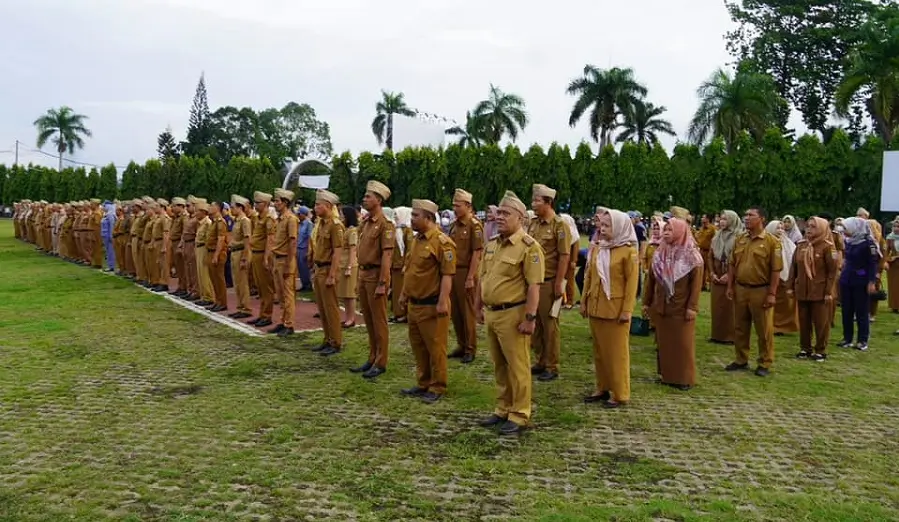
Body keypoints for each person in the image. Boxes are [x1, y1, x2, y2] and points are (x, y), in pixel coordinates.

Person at [474, 191, 544, 435]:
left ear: (521, 218)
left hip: (514, 315)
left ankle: (520, 413)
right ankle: (502, 408)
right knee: (499, 365)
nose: (500, 217)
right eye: (499, 213)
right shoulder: (492, 244)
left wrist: (530, 318)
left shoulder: (529, 247)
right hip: (492, 313)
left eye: (506, 213)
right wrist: (478, 306)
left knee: (518, 366)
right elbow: (482, 277)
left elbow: (534, 286)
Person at [399, 199, 456, 403]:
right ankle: (423, 382)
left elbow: (447, 275)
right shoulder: (417, 240)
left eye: (416, 216)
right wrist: (404, 294)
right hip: (415, 303)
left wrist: (442, 302)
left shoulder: (442, 242)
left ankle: (437, 385)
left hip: (432, 304)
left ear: (429, 218)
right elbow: (411, 269)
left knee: (435, 347)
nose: (412, 219)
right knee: (418, 346)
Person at [581, 208, 638, 407]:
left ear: (620, 227)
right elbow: (589, 276)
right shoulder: (599, 247)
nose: (602, 229)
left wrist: (627, 310)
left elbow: (632, 284)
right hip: (597, 306)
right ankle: (602, 387)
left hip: (615, 310)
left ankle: (620, 393)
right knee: (599, 351)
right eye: (601, 225)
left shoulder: (628, 251)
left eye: (607, 226)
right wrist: (584, 301)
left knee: (616, 353)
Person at [643, 217, 703, 390]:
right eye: (665, 230)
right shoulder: (660, 253)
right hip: (662, 306)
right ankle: (666, 375)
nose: (666, 233)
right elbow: (651, 281)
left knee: (682, 344)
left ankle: (684, 378)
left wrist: (692, 307)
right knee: (664, 343)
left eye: (670, 230)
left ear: (680, 232)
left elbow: (696, 286)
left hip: (681, 308)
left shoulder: (692, 256)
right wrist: (647, 303)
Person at [726, 207, 782, 377]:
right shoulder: (740, 239)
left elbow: (776, 270)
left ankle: (764, 362)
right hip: (741, 288)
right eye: (746, 215)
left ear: (762, 219)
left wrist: (772, 293)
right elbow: (732, 264)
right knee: (740, 327)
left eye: (751, 215)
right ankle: (741, 359)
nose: (746, 218)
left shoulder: (772, 242)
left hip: (761, 290)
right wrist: (730, 286)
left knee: (763, 329)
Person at [352, 181, 395, 378]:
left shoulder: (385, 225)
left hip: (375, 275)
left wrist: (383, 283)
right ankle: (371, 356)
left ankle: (381, 361)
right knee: (368, 320)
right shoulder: (366, 223)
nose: (364, 199)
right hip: (363, 274)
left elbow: (387, 256)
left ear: (378, 200)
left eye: (368, 196)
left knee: (379, 321)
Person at [527, 184, 570, 382]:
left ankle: (552, 365)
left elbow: (564, 256)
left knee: (550, 325)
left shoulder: (559, 225)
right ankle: (541, 360)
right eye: (533, 200)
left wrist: (559, 283)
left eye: (537, 201)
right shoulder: (533, 224)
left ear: (548, 202)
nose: (533, 204)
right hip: (533, 282)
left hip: (549, 281)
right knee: (536, 326)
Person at [787, 216, 838, 361]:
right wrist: (790, 287)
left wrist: (829, 292)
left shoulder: (827, 247)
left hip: (820, 291)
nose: (809, 229)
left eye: (813, 227)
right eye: (808, 226)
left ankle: (821, 350)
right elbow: (794, 268)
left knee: (821, 322)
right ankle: (805, 348)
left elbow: (832, 272)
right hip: (803, 290)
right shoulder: (801, 245)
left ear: (822, 229)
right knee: (803, 321)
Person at [448, 189, 484, 364]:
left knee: (467, 312)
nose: (455, 208)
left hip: (466, 271)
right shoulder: (454, 225)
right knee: (455, 312)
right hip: (453, 272)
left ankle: (470, 348)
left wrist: (470, 277)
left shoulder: (474, 225)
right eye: (454, 205)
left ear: (468, 206)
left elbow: (477, 253)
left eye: (458, 205)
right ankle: (461, 344)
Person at [309, 189, 345, 356]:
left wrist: (332, 274)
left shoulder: (335, 225)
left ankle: (336, 341)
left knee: (331, 308)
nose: (315, 207)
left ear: (328, 206)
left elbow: (337, 252)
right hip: (319, 268)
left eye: (318, 205)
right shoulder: (321, 224)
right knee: (322, 308)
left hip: (328, 269)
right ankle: (327, 338)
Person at [838, 217, 881, 351]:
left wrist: (871, 281)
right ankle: (847, 338)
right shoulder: (850, 241)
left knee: (861, 311)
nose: (844, 231)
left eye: (846, 228)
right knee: (847, 310)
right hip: (847, 279)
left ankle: (862, 340)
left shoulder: (868, 243)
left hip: (860, 280)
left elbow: (872, 263)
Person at [709, 210, 743, 344]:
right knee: (717, 306)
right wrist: (712, 272)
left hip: (732, 276)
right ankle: (717, 334)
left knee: (730, 307)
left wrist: (729, 275)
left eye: (725, 219)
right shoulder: (716, 236)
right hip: (717, 275)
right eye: (720, 219)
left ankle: (730, 336)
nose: (722, 221)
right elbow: (710, 257)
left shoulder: (739, 237)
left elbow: (740, 259)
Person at [271, 189, 299, 336]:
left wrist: (289, 263)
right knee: (280, 293)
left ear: (285, 203)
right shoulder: (279, 219)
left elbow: (292, 242)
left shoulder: (291, 219)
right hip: (277, 259)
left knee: (288, 294)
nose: (275, 204)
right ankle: (283, 321)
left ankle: (289, 324)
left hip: (285, 260)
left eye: (278, 201)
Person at [247, 191, 276, 327]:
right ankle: (262, 314)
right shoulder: (258, 218)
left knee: (266, 287)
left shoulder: (268, 219)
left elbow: (270, 240)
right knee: (260, 287)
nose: (255, 205)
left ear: (265, 204)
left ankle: (267, 315)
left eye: (258, 203)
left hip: (262, 255)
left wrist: (266, 258)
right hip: (255, 253)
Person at [766, 220, 799, 335]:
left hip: (786, 277)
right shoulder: (766, 242)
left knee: (786, 303)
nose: (780, 230)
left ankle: (784, 326)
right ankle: (772, 325)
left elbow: (794, 257)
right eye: (777, 228)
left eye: (782, 228)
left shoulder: (788, 243)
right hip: (770, 277)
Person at [228, 195, 253, 319]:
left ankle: (246, 308)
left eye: (233, 207)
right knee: (237, 282)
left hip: (241, 252)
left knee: (242, 282)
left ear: (240, 207)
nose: (231, 210)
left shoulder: (245, 221)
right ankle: (240, 306)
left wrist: (244, 257)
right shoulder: (237, 220)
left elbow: (247, 240)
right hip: (234, 252)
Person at [205, 202, 230, 311]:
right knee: (214, 279)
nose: (209, 207)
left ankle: (222, 303)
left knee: (219, 279)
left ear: (218, 208)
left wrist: (216, 255)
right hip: (210, 252)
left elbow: (221, 239)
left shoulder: (221, 222)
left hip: (217, 253)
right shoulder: (213, 222)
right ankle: (217, 301)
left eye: (212, 206)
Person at [338, 205, 359, 328]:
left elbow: (353, 250)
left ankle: (351, 319)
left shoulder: (352, 231)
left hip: (349, 264)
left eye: (342, 215)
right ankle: (347, 317)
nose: (340, 217)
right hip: (343, 263)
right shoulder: (345, 230)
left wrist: (350, 267)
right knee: (345, 294)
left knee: (350, 294)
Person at [168, 198, 188, 296]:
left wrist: (181, 245)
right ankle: (181, 286)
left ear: (180, 206)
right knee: (178, 267)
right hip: (174, 242)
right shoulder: (176, 217)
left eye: (174, 206)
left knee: (182, 267)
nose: (172, 208)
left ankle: (184, 287)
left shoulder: (184, 217)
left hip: (179, 243)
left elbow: (184, 232)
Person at [560, 213, 580, 309]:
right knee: (560, 281)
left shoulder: (574, 234)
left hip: (570, 261)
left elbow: (575, 248)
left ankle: (570, 301)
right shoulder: (561, 231)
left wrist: (574, 261)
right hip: (561, 261)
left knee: (569, 281)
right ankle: (562, 300)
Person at [695, 214, 717, 291]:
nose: (702, 218)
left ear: (708, 219)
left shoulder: (712, 228)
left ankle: (711, 286)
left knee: (710, 269)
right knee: (702, 269)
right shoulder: (701, 228)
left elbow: (715, 240)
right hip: (701, 251)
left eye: (703, 217)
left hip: (709, 251)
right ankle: (702, 285)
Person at [296, 206, 313, 292]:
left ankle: (308, 285)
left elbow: (310, 237)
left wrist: (309, 250)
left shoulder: (308, 223)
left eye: (299, 214)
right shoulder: (299, 223)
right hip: (298, 248)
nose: (298, 215)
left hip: (304, 248)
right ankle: (304, 284)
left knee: (304, 267)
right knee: (300, 267)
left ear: (303, 214)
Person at [887, 219, 899, 313]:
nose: (896, 228)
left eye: (898, 226)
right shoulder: (889, 238)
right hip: (894, 265)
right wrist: (889, 259)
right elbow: (886, 252)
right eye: (894, 226)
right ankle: (894, 306)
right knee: (894, 286)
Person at [101, 201, 116, 272]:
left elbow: (112, 226)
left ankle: (111, 266)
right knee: (107, 251)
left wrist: (111, 235)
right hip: (104, 234)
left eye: (104, 206)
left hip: (108, 235)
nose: (103, 208)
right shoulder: (105, 214)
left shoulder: (110, 215)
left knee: (110, 251)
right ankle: (109, 265)